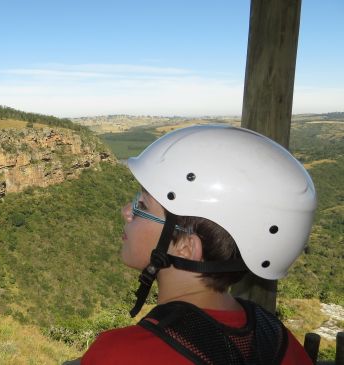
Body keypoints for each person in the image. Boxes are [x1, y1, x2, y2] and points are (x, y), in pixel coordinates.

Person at [81, 125, 317, 364]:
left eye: (142, 206)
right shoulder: (281, 343)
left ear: (186, 246)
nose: (126, 212)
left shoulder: (118, 355)